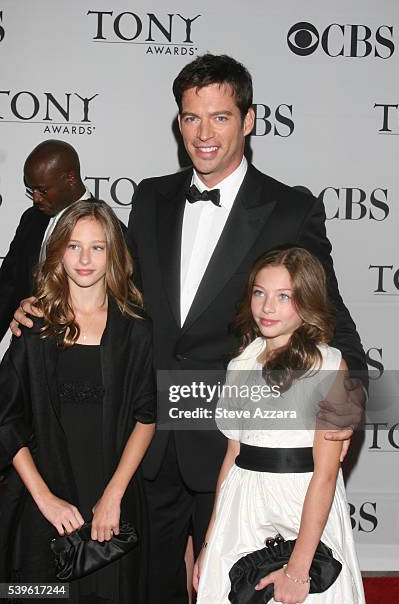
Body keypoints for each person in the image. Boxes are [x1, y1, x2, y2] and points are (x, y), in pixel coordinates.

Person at [12, 54, 366, 603]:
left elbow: (333, 318)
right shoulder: (152, 195)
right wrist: (41, 307)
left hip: (231, 449)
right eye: (191, 118)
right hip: (144, 439)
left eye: (220, 117)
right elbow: (111, 286)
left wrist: (349, 399)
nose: (203, 134)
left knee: (229, 588)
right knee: (147, 588)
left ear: (249, 120)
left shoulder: (289, 209)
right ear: (178, 122)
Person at [0, 200, 156, 603]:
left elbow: (146, 417)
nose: (85, 259)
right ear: (58, 253)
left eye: (97, 247)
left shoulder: (135, 329)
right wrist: (44, 499)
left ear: (113, 255)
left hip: (112, 502)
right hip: (43, 503)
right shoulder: (34, 326)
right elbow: (7, 420)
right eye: (73, 246)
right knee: (37, 595)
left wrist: (113, 495)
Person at [194, 247, 365, 604]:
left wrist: (298, 569)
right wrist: (209, 542)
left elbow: (326, 475)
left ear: (307, 302)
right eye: (260, 293)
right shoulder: (242, 362)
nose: (267, 307)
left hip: (301, 502)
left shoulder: (329, 366)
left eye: (283, 297)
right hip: (240, 507)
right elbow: (232, 456)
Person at [0, 139, 92, 341]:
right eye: (31, 190)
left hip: (77, 350)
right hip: (25, 350)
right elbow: (8, 285)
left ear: (70, 178)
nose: (35, 198)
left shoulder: (106, 228)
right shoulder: (32, 219)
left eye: (42, 190)